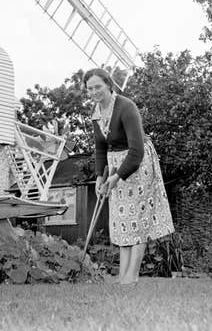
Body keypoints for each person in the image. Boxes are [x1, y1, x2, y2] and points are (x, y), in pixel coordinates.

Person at [84, 67, 174, 285]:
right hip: (115, 166)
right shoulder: (96, 113)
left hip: (138, 165)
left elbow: (137, 151)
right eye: (90, 88)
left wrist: (116, 178)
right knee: (122, 222)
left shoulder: (126, 107)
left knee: (138, 221)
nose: (94, 91)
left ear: (109, 85)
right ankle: (122, 277)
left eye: (98, 86)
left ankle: (131, 278)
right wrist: (99, 177)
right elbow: (100, 149)